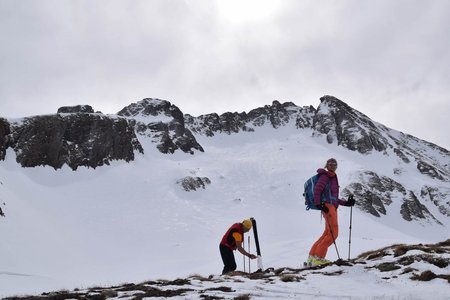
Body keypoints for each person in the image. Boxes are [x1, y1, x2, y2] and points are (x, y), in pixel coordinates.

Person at [307, 158, 355, 266]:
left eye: (335, 165)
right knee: (333, 233)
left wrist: (346, 203)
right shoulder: (325, 176)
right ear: (327, 165)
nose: (333, 166)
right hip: (328, 207)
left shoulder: (332, 177)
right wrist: (320, 204)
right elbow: (317, 191)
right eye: (331, 164)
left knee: (327, 233)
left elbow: (333, 197)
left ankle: (312, 258)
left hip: (330, 206)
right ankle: (318, 258)